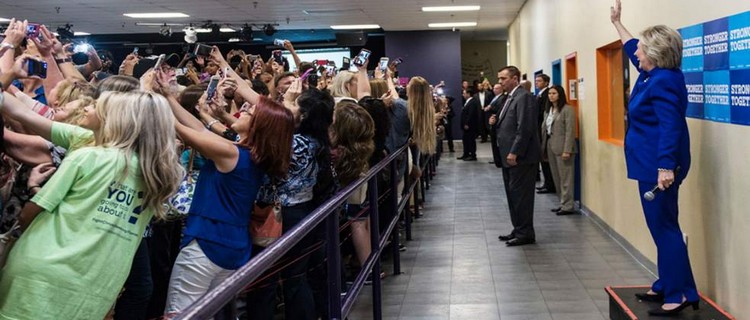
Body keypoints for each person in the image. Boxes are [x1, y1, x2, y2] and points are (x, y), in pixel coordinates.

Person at [0, 88, 183, 320]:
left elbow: (29, 215)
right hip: (98, 284)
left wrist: (35, 189)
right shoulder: (159, 177)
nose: (88, 107)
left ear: (117, 119)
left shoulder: (88, 155)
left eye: (99, 106)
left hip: (42, 274)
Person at [610, 0, 697, 315]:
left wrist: (664, 167)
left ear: (657, 54)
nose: (636, 53)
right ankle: (675, 284)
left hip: (658, 166)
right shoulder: (653, 74)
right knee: (664, 226)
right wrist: (618, 23)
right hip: (650, 162)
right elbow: (632, 45)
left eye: (643, 50)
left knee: (664, 229)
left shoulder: (663, 82)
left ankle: (677, 294)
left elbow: (670, 128)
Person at [491, 66, 540, 247]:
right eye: (499, 78)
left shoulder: (524, 97)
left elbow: (525, 128)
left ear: (515, 78)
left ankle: (525, 232)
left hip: (521, 158)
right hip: (508, 157)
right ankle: (518, 228)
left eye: (504, 78)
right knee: (513, 195)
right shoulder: (509, 97)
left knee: (521, 197)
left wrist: (515, 151)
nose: (500, 82)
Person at [540, 85, 577, 215]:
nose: (551, 96)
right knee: (556, 177)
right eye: (549, 93)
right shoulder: (548, 110)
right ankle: (562, 202)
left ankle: (568, 205)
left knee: (566, 178)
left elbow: (570, 131)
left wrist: (567, 150)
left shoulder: (567, 110)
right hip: (550, 145)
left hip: (563, 148)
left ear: (560, 94)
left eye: (554, 93)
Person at [534, 74, 556, 194]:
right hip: (540, 129)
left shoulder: (546, 95)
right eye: (536, 81)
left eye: (539, 81)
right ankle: (547, 183)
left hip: (543, 130)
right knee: (543, 159)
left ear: (546, 82)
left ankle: (549, 184)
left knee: (546, 159)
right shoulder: (540, 94)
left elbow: (542, 113)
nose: (537, 83)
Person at [458, 87, 479, 161]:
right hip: (466, 126)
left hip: (470, 126)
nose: (463, 94)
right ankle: (466, 154)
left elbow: (471, 114)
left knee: (471, 140)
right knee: (466, 140)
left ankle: (473, 155)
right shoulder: (467, 102)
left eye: (464, 93)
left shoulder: (473, 102)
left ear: (468, 94)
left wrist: (467, 123)